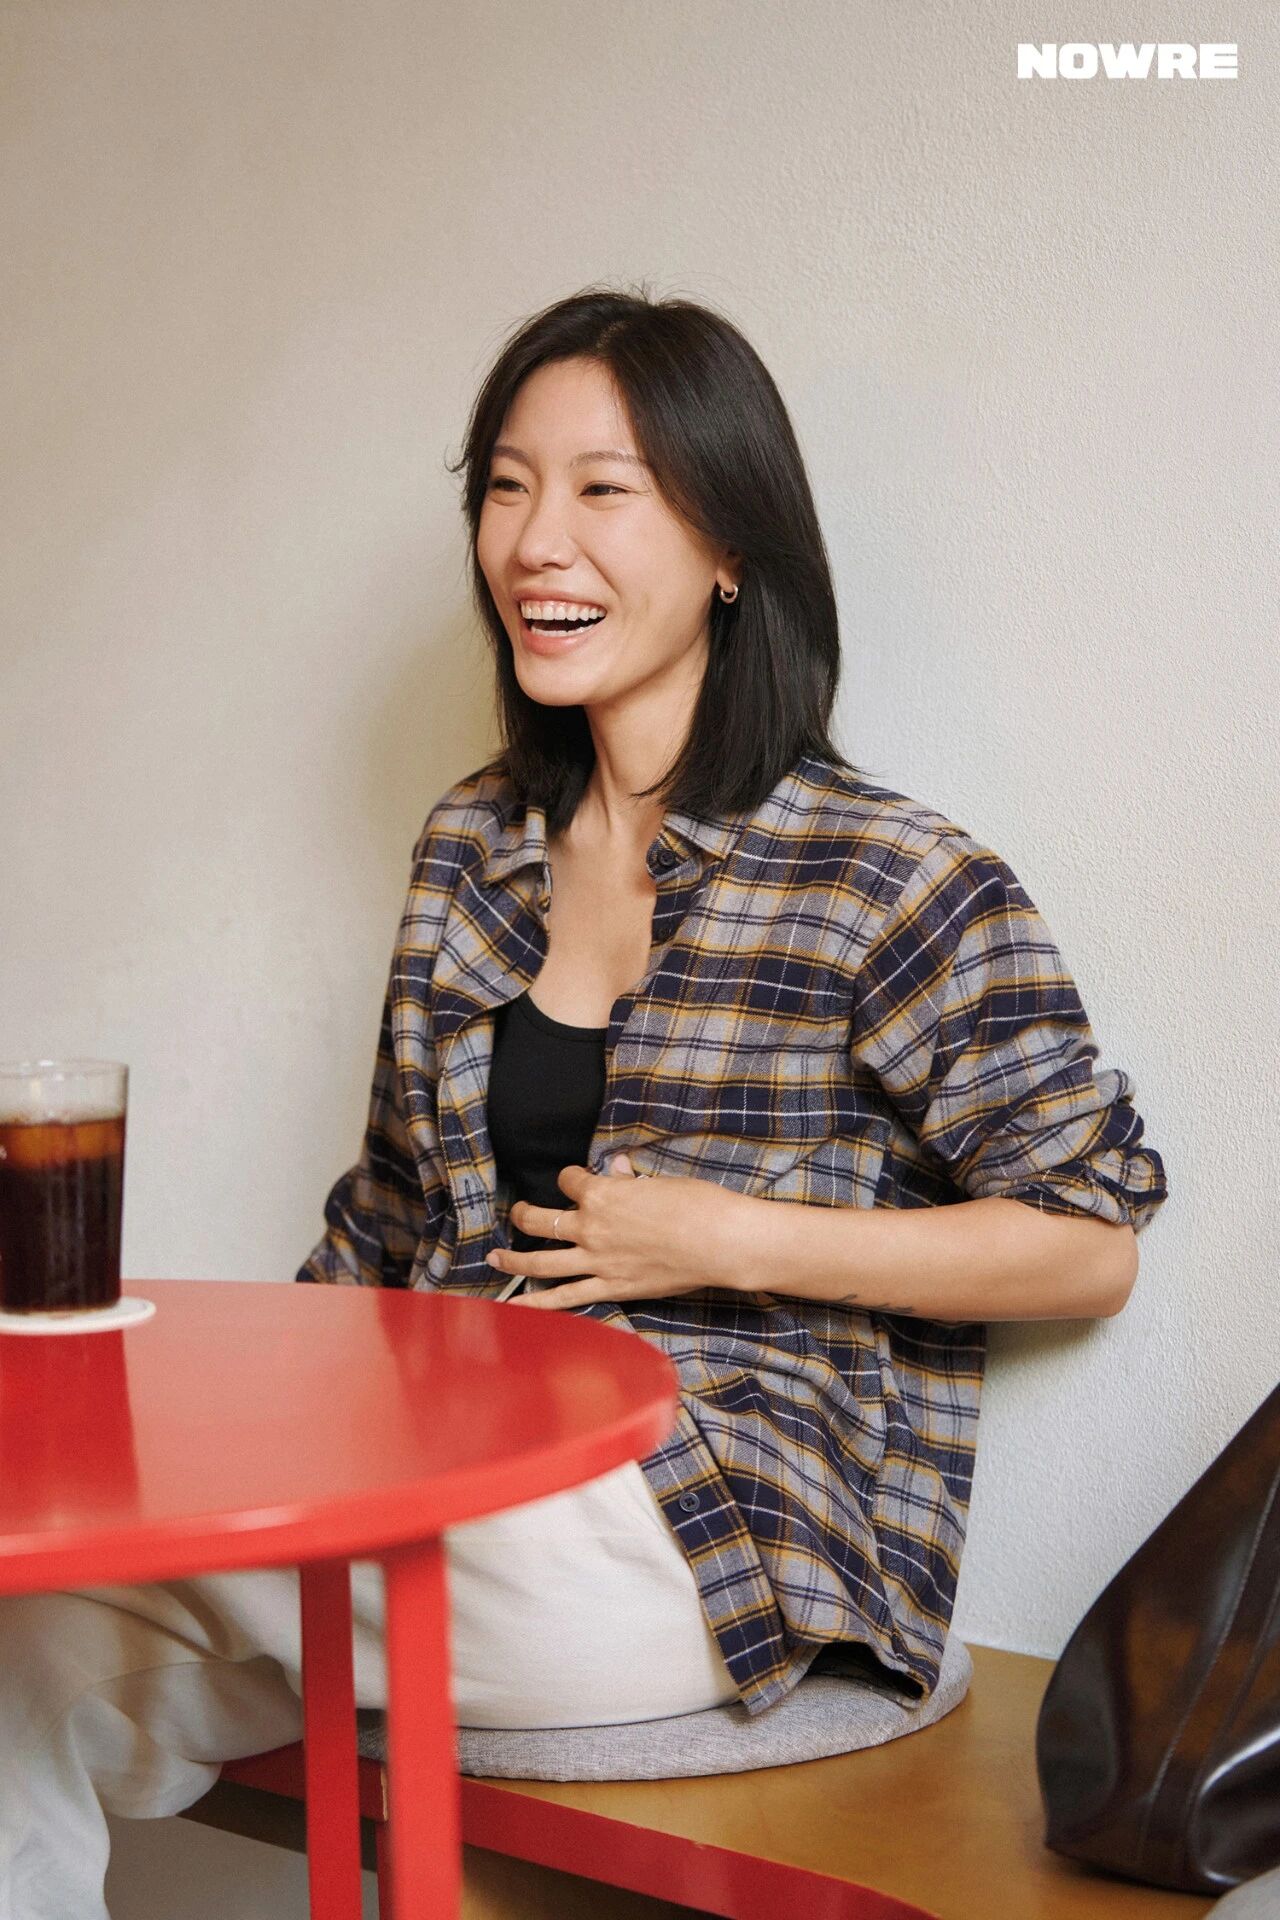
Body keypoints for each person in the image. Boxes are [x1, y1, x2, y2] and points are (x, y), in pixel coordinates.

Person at [0, 286, 1169, 1915]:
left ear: (731, 546)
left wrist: (727, 1237)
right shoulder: (469, 848)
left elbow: (1088, 1241)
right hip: (449, 1491)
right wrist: (212, 1420)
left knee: (167, 1561)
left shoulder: (889, 874)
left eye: (603, 488)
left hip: (706, 1531)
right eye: (505, 485)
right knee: (27, 1646)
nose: (536, 540)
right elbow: (387, 1221)